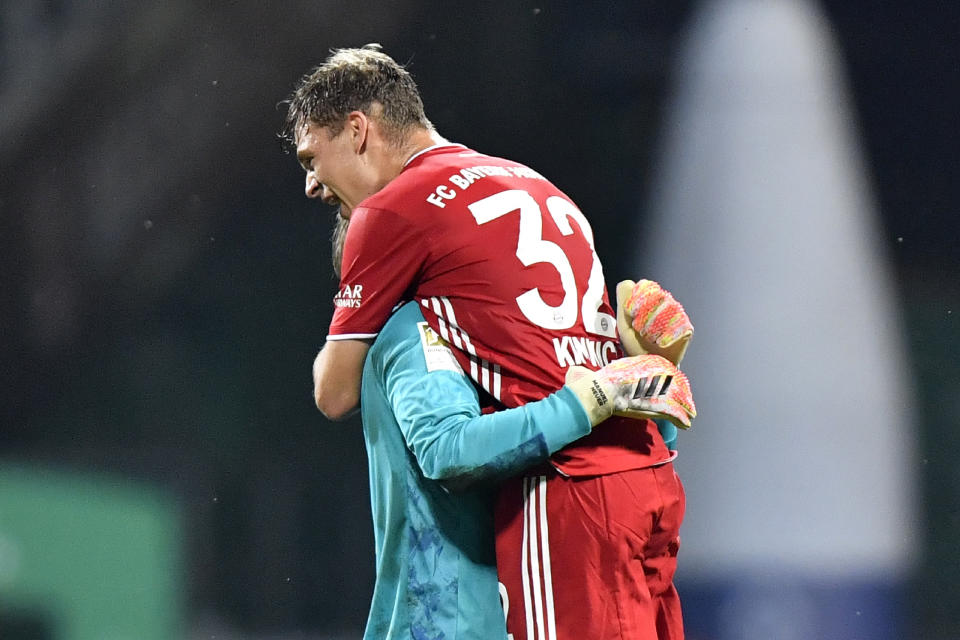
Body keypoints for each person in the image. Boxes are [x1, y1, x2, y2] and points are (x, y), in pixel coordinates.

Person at [282, 44, 695, 639]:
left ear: (357, 129)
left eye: (311, 158)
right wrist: (647, 366)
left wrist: (593, 398)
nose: (311, 185)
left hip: (564, 491)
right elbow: (584, 368)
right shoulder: (538, 187)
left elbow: (335, 392)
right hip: (648, 474)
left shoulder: (393, 215)